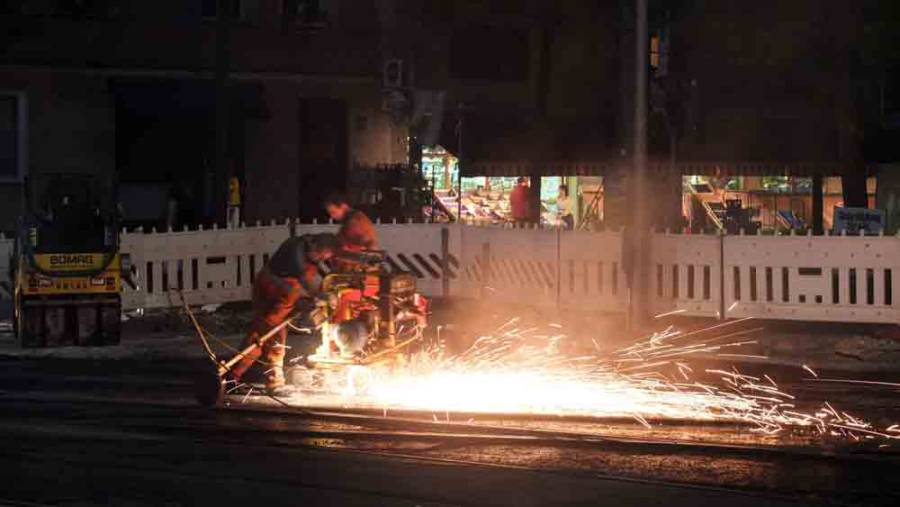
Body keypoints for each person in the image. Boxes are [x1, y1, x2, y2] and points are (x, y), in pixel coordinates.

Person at [228, 233, 340, 395]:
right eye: (322, 255)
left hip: (283, 294)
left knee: (261, 335)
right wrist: (316, 297)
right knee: (270, 337)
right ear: (316, 246)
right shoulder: (295, 249)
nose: (322, 259)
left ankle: (233, 377)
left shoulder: (310, 251)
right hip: (272, 291)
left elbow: (317, 276)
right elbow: (303, 280)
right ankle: (270, 382)